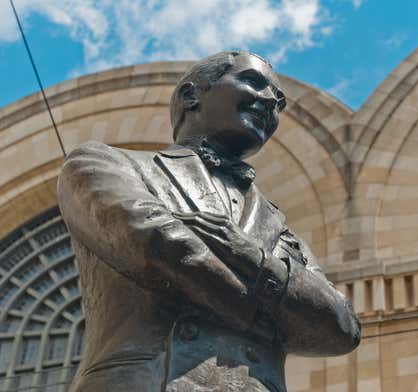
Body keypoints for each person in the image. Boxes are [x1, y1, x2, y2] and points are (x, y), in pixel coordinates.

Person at [57, 51, 361, 392]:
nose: (269, 103)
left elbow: (342, 327)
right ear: (191, 96)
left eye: (279, 102)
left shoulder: (278, 225)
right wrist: (280, 309)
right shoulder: (105, 163)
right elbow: (160, 248)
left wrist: (250, 256)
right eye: (254, 83)